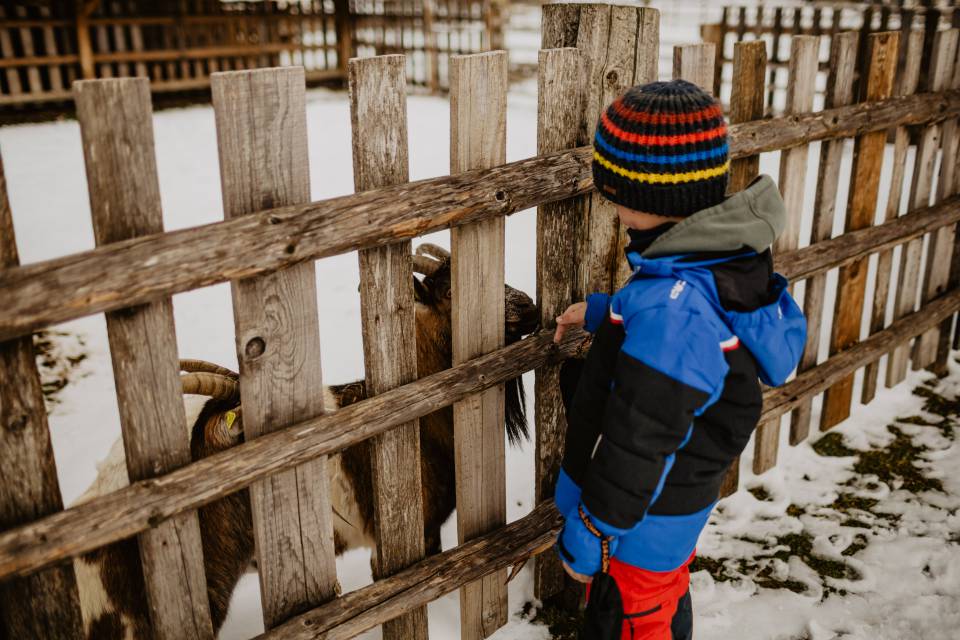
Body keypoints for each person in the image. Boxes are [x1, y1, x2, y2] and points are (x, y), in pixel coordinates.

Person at [551, 79, 806, 640]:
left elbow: (641, 439)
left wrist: (592, 533)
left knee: (635, 618)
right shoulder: (709, 264)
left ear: (641, 196)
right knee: (659, 597)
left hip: (632, 524)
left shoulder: (676, 313)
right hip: (665, 513)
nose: (609, 201)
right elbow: (681, 311)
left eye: (612, 188)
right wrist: (606, 313)